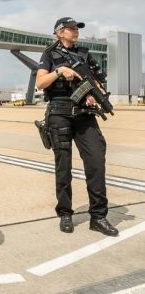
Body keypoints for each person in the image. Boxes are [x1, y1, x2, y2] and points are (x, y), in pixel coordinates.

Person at [36, 17, 118, 237]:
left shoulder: (84, 54)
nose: (75, 32)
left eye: (77, 29)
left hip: (84, 113)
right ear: (59, 32)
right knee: (63, 166)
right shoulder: (49, 54)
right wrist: (60, 71)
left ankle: (98, 216)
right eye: (71, 29)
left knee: (96, 161)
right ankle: (65, 214)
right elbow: (41, 83)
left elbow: (98, 81)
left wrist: (93, 95)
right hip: (59, 112)